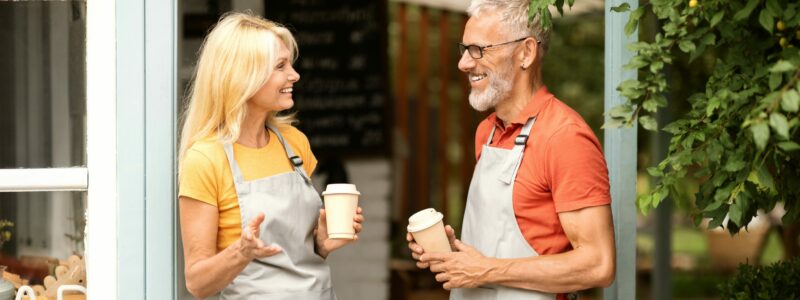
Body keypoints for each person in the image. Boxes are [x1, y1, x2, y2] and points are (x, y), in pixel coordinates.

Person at [407, 1, 615, 299]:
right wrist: (451, 252)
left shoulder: (564, 136)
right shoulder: (487, 133)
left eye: (479, 49)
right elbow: (501, 246)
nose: (464, 63)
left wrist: (485, 270)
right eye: (464, 49)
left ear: (526, 53)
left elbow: (598, 265)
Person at [178, 12, 363, 299]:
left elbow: (295, 258)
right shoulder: (206, 159)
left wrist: (322, 243)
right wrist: (241, 252)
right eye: (280, 66)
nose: (295, 75)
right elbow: (197, 283)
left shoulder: (294, 144)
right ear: (242, 76)